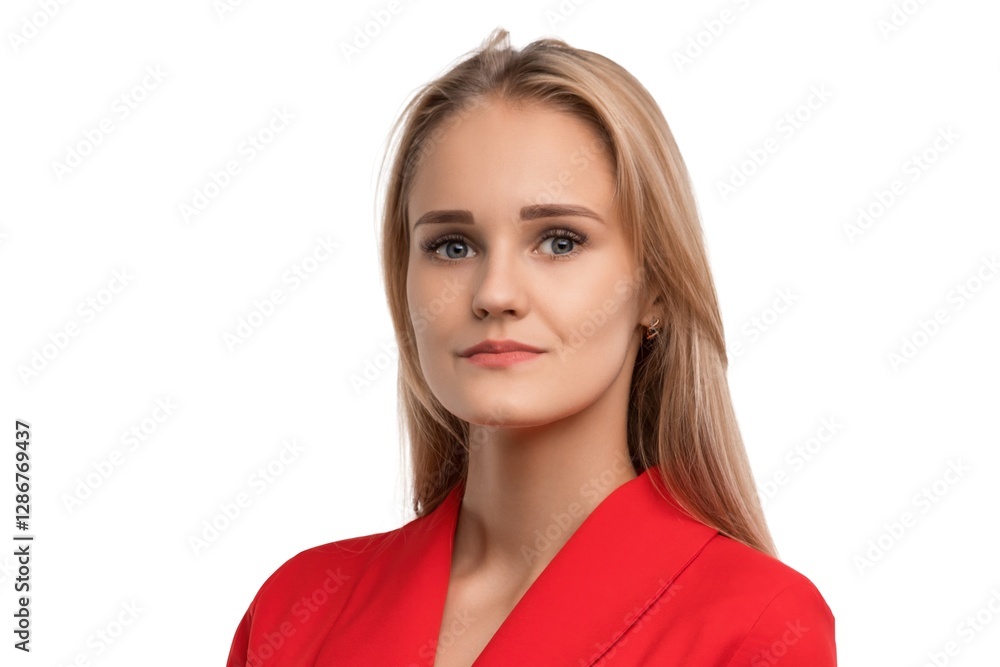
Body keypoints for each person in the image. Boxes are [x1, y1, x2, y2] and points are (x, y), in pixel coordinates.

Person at [226, 27, 836, 666]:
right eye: (452, 247)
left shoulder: (751, 625)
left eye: (560, 241)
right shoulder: (297, 609)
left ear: (654, 287)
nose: (494, 293)